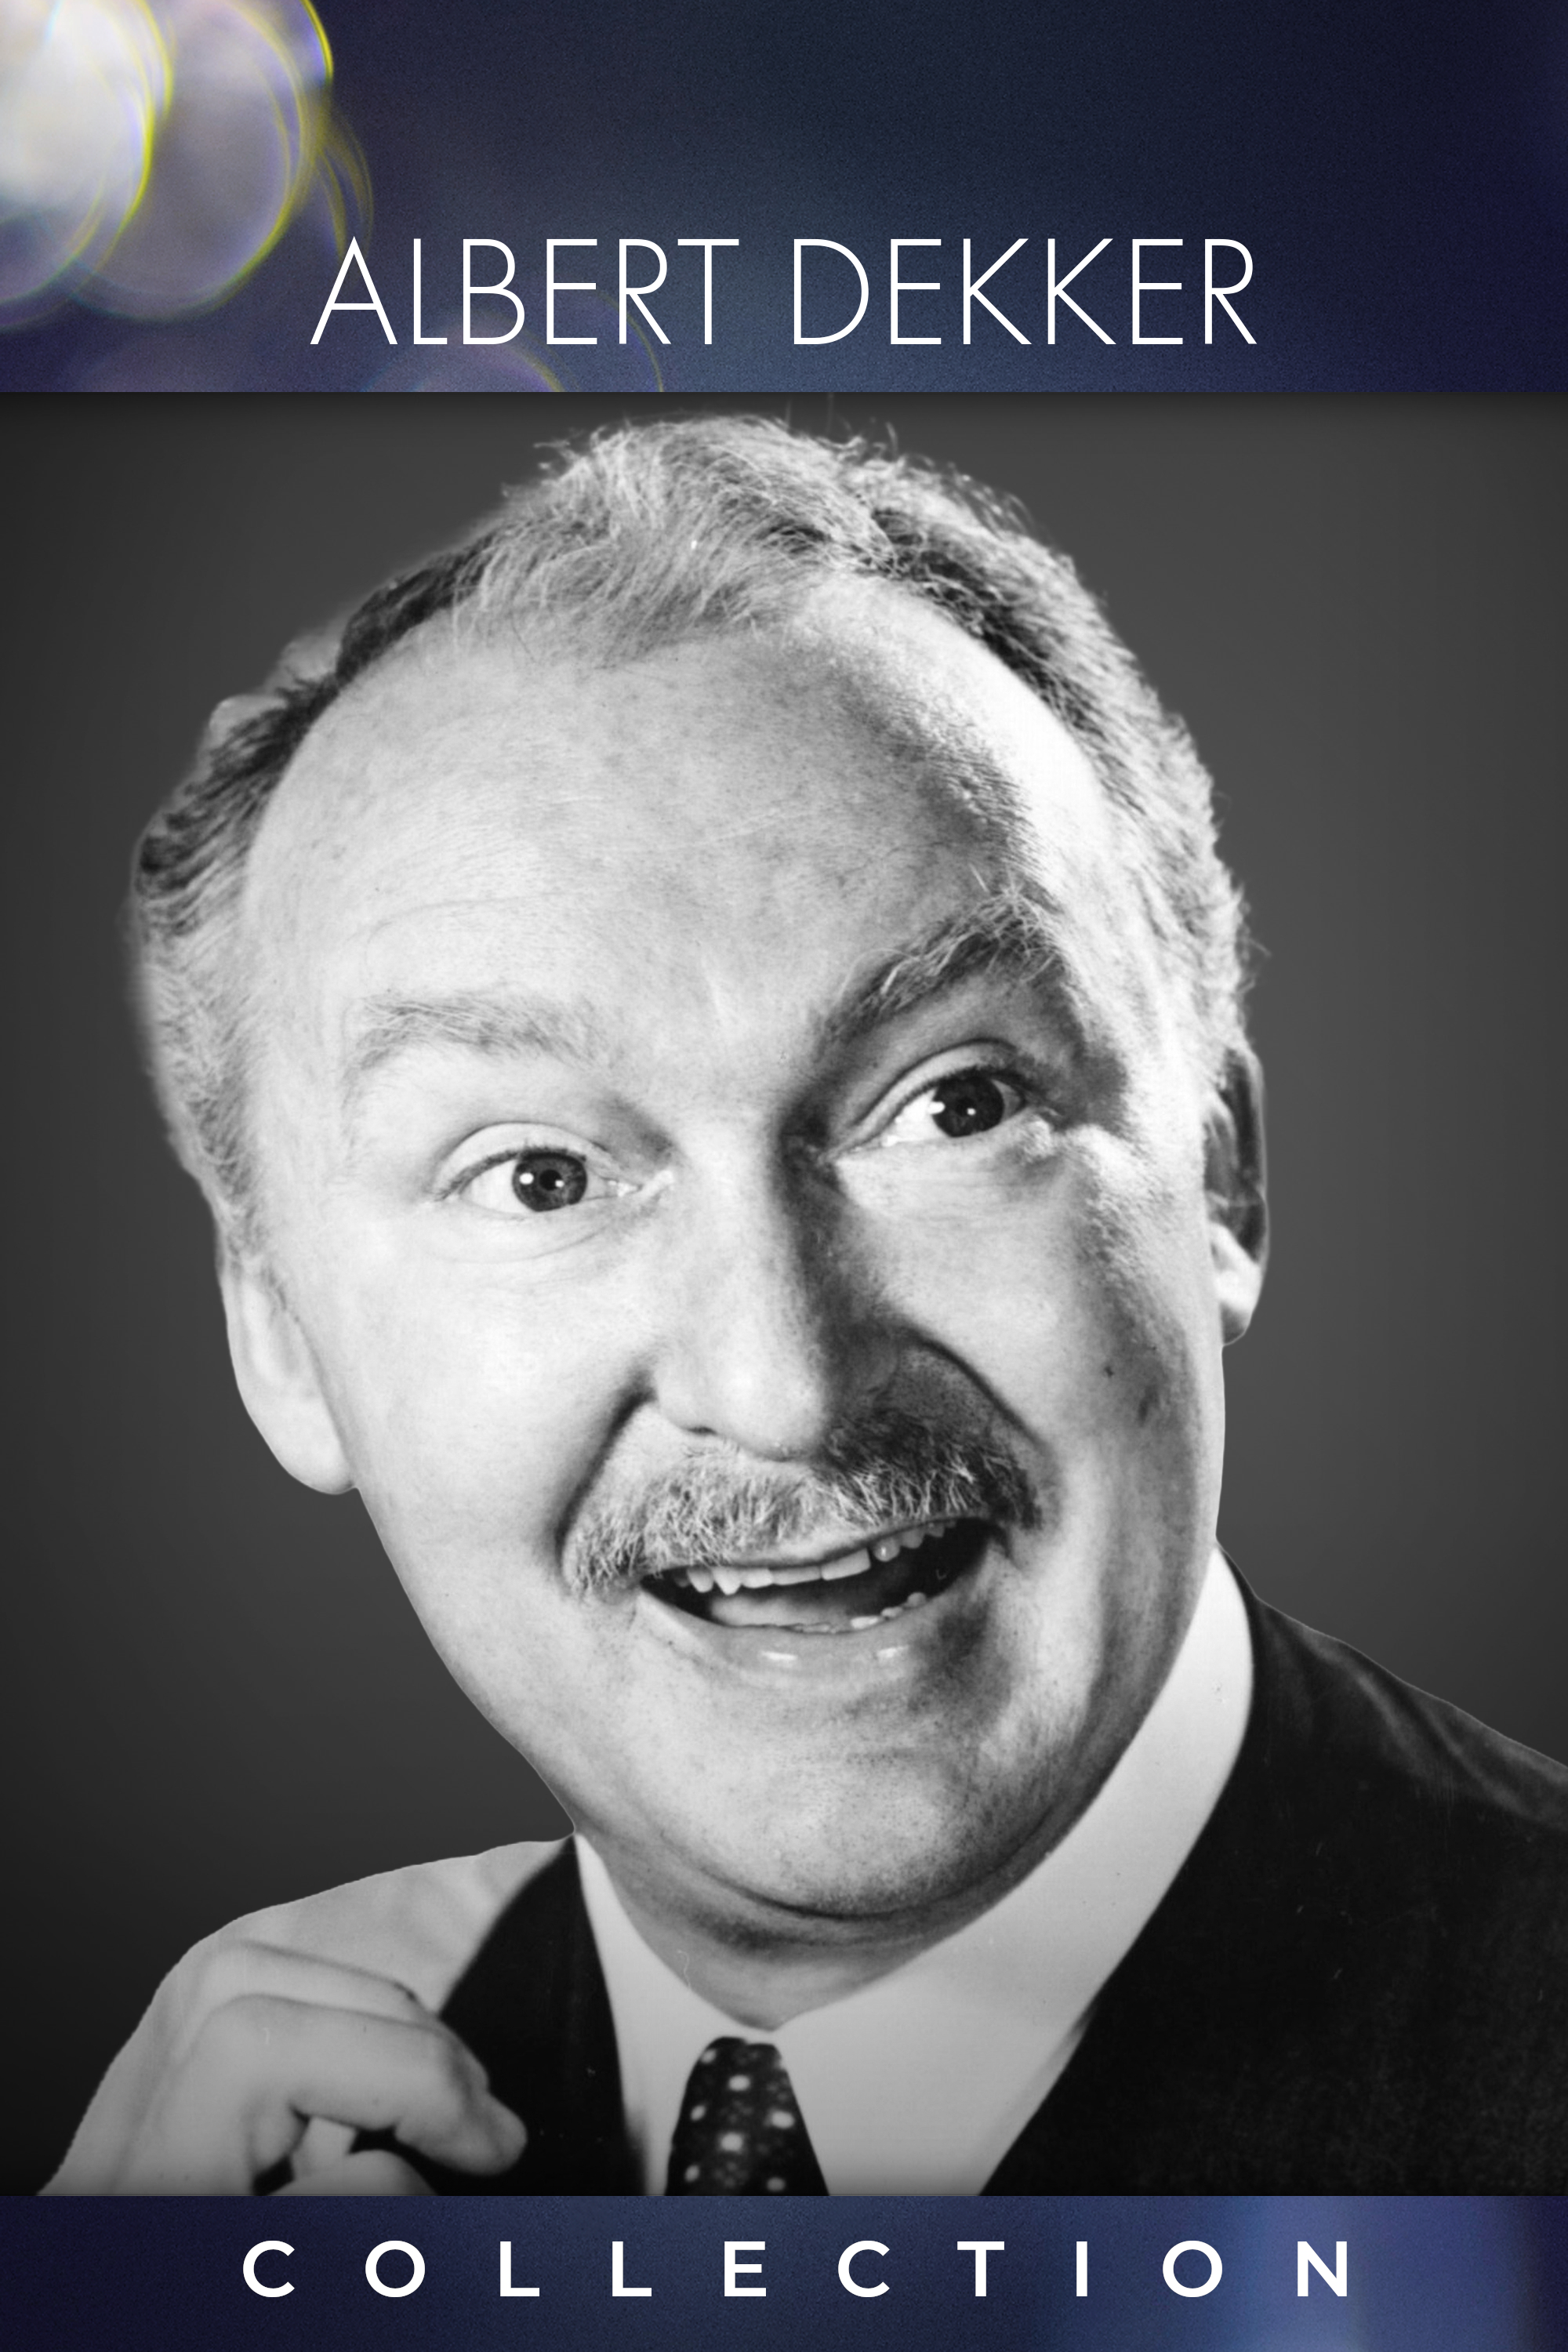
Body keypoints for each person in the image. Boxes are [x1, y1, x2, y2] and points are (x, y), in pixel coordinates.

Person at [47, 416, 1568, 2198]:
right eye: (538, 1178)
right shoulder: (261, 2164)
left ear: (1216, 1176)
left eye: (955, 1105)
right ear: (283, 1340)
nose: (781, 1386)